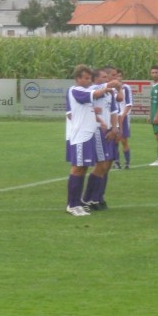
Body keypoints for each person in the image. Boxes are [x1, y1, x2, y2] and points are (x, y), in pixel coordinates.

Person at [65, 65, 119, 216]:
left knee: (83, 168)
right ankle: (72, 204)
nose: (88, 81)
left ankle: (78, 202)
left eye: (90, 78)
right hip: (81, 136)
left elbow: (89, 108)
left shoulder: (87, 90)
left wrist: (100, 121)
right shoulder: (75, 90)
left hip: (89, 135)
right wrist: (109, 86)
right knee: (78, 168)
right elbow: (97, 92)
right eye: (86, 78)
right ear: (78, 79)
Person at [82, 66, 121, 210]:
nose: (108, 79)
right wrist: (113, 84)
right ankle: (88, 199)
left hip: (109, 131)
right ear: (96, 79)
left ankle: (97, 198)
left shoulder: (109, 93)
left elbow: (114, 111)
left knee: (106, 165)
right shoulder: (94, 90)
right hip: (97, 130)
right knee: (101, 164)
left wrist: (115, 128)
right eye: (105, 77)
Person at [114, 68, 133, 169]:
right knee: (115, 140)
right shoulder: (111, 89)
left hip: (123, 117)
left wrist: (123, 115)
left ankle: (127, 163)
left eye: (120, 76)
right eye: (116, 76)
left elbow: (129, 104)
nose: (118, 78)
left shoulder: (126, 88)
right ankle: (116, 162)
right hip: (114, 117)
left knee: (124, 140)